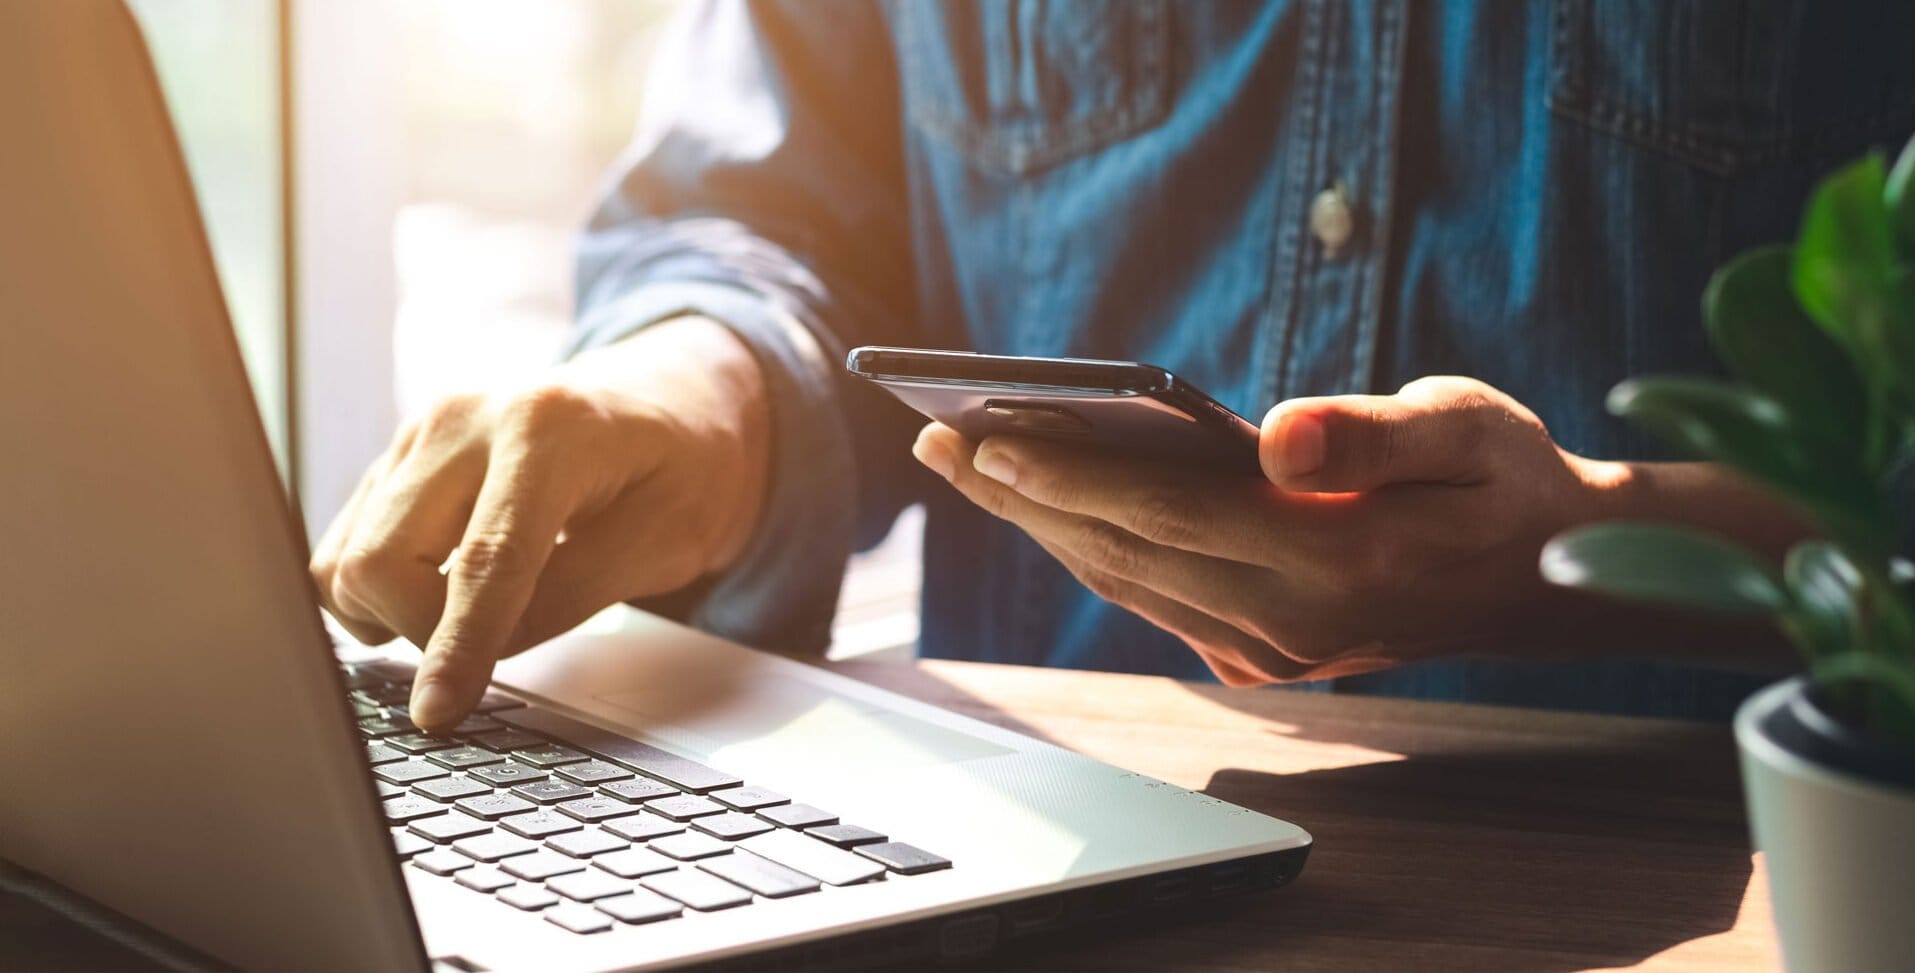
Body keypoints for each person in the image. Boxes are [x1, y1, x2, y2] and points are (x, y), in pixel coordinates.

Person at [309, 2, 1915, 733]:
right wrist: (691, 395)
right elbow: (778, 210)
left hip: (1733, 878)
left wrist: (1594, 555)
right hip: (1026, 852)